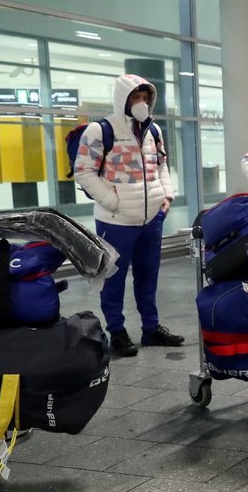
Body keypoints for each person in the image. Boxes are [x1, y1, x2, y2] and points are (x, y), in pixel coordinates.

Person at [73, 73, 184, 356]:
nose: (142, 102)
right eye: (137, 96)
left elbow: (162, 165)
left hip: (151, 219)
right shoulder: (100, 130)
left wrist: (166, 195)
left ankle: (151, 328)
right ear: (123, 98)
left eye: (146, 97)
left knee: (148, 275)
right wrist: (112, 200)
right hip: (116, 220)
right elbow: (83, 171)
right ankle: (118, 331)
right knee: (114, 278)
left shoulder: (153, 131)